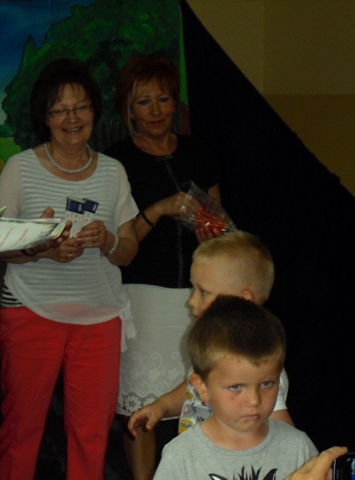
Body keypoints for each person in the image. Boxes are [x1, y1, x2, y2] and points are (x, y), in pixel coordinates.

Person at [0, 58, 139, 480]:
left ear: (95, 111)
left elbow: (128, 250)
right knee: (22, 427)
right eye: (60, 110)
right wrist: (42, 249)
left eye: (82, 107)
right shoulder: (21, 168)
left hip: (100, 317)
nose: (72, 119)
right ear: (45, 117)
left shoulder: (113, 172)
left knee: (92, 433)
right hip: (30, 311)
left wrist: (107, 240)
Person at [103, 53, 222, 479]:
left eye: (164, 99)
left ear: (176, 103)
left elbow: (219, 223)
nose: (155, 111)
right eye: (143, 102)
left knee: (204, 398)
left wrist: (212, 229)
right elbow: (118, 242)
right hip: (143, 298)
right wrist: (160, 208)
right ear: (128, 109)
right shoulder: (116, 161)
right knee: (142, 405)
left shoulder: (197, 151)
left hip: (199, 296)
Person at [128, 232, 294, 465]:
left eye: (203, 292)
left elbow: (284, 433)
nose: (191, 301)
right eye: (193, 289)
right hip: (197, 463)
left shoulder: (256, 367)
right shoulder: (215, 349)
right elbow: (194, 387)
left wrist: (304, 465)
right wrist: (162, 406)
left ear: (242, 300)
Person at [153, 295, 317, 479]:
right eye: (236, 387)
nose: (254, 400)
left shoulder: (298, 448)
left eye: (267, 383)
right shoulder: (180, 456)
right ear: (202, 387)